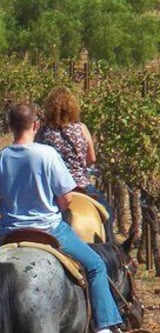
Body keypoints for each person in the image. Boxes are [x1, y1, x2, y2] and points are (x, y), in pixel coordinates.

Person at [0, 103, 131, 333]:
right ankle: (104, 332)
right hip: (49, 229)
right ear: (35, 125)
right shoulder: (47, 155)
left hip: (10, 233)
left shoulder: (0, 157)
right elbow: (67, 198)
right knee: (95, 266)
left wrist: (7, 202)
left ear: (10, 127)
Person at [36, 86, 114, 237]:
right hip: (80, 185)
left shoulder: (44, 131)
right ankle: (112, 251)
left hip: (52, 187)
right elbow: (91, 159)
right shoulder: (81, 128)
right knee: (108, 213)